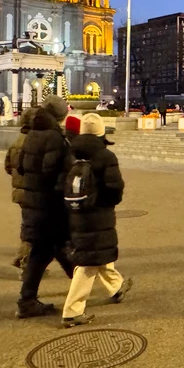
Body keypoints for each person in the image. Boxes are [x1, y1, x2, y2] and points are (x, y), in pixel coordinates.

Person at [61, 113, 132, 328]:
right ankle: (72, 311)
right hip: (98, 213)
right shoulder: (105, 156)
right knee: (88, 262)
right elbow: (115, 189)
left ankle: (116, 286)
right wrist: (105, 203)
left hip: (76, 211)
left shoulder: (72, 153)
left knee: (96, 252)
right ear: (102, 132)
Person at [16, 95, 75, 318]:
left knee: (47, 251)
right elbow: (56, 173)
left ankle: (27, 300)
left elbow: (21, 166)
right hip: (50, 205)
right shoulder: (55, 138)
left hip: (34, 203)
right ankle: (81, 291)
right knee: (55, 248)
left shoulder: (32, 134)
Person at [5, 107, 38, 275]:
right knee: (33, 228)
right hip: (34, 192)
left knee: (28, 225)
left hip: (19, 192)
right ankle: (26, 262)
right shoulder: (35, 142)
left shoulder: (17, 141)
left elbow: (8, 166)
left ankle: (23, 257)